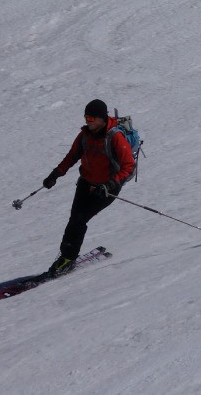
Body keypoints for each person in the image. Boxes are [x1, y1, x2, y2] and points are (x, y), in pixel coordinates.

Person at [41, 99, 134, 276]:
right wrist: (55, 174)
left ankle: (67, 259)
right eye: (86, 117)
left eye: (91, 118)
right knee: (74, 219)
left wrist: (111, 183)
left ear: (101, 118)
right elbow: (72, 156)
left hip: (107, 189)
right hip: (86, 183)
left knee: (79, 219)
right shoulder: (85, 135)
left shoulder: (115, 137)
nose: (87, 121)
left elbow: (129, 166)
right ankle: (67, 256)